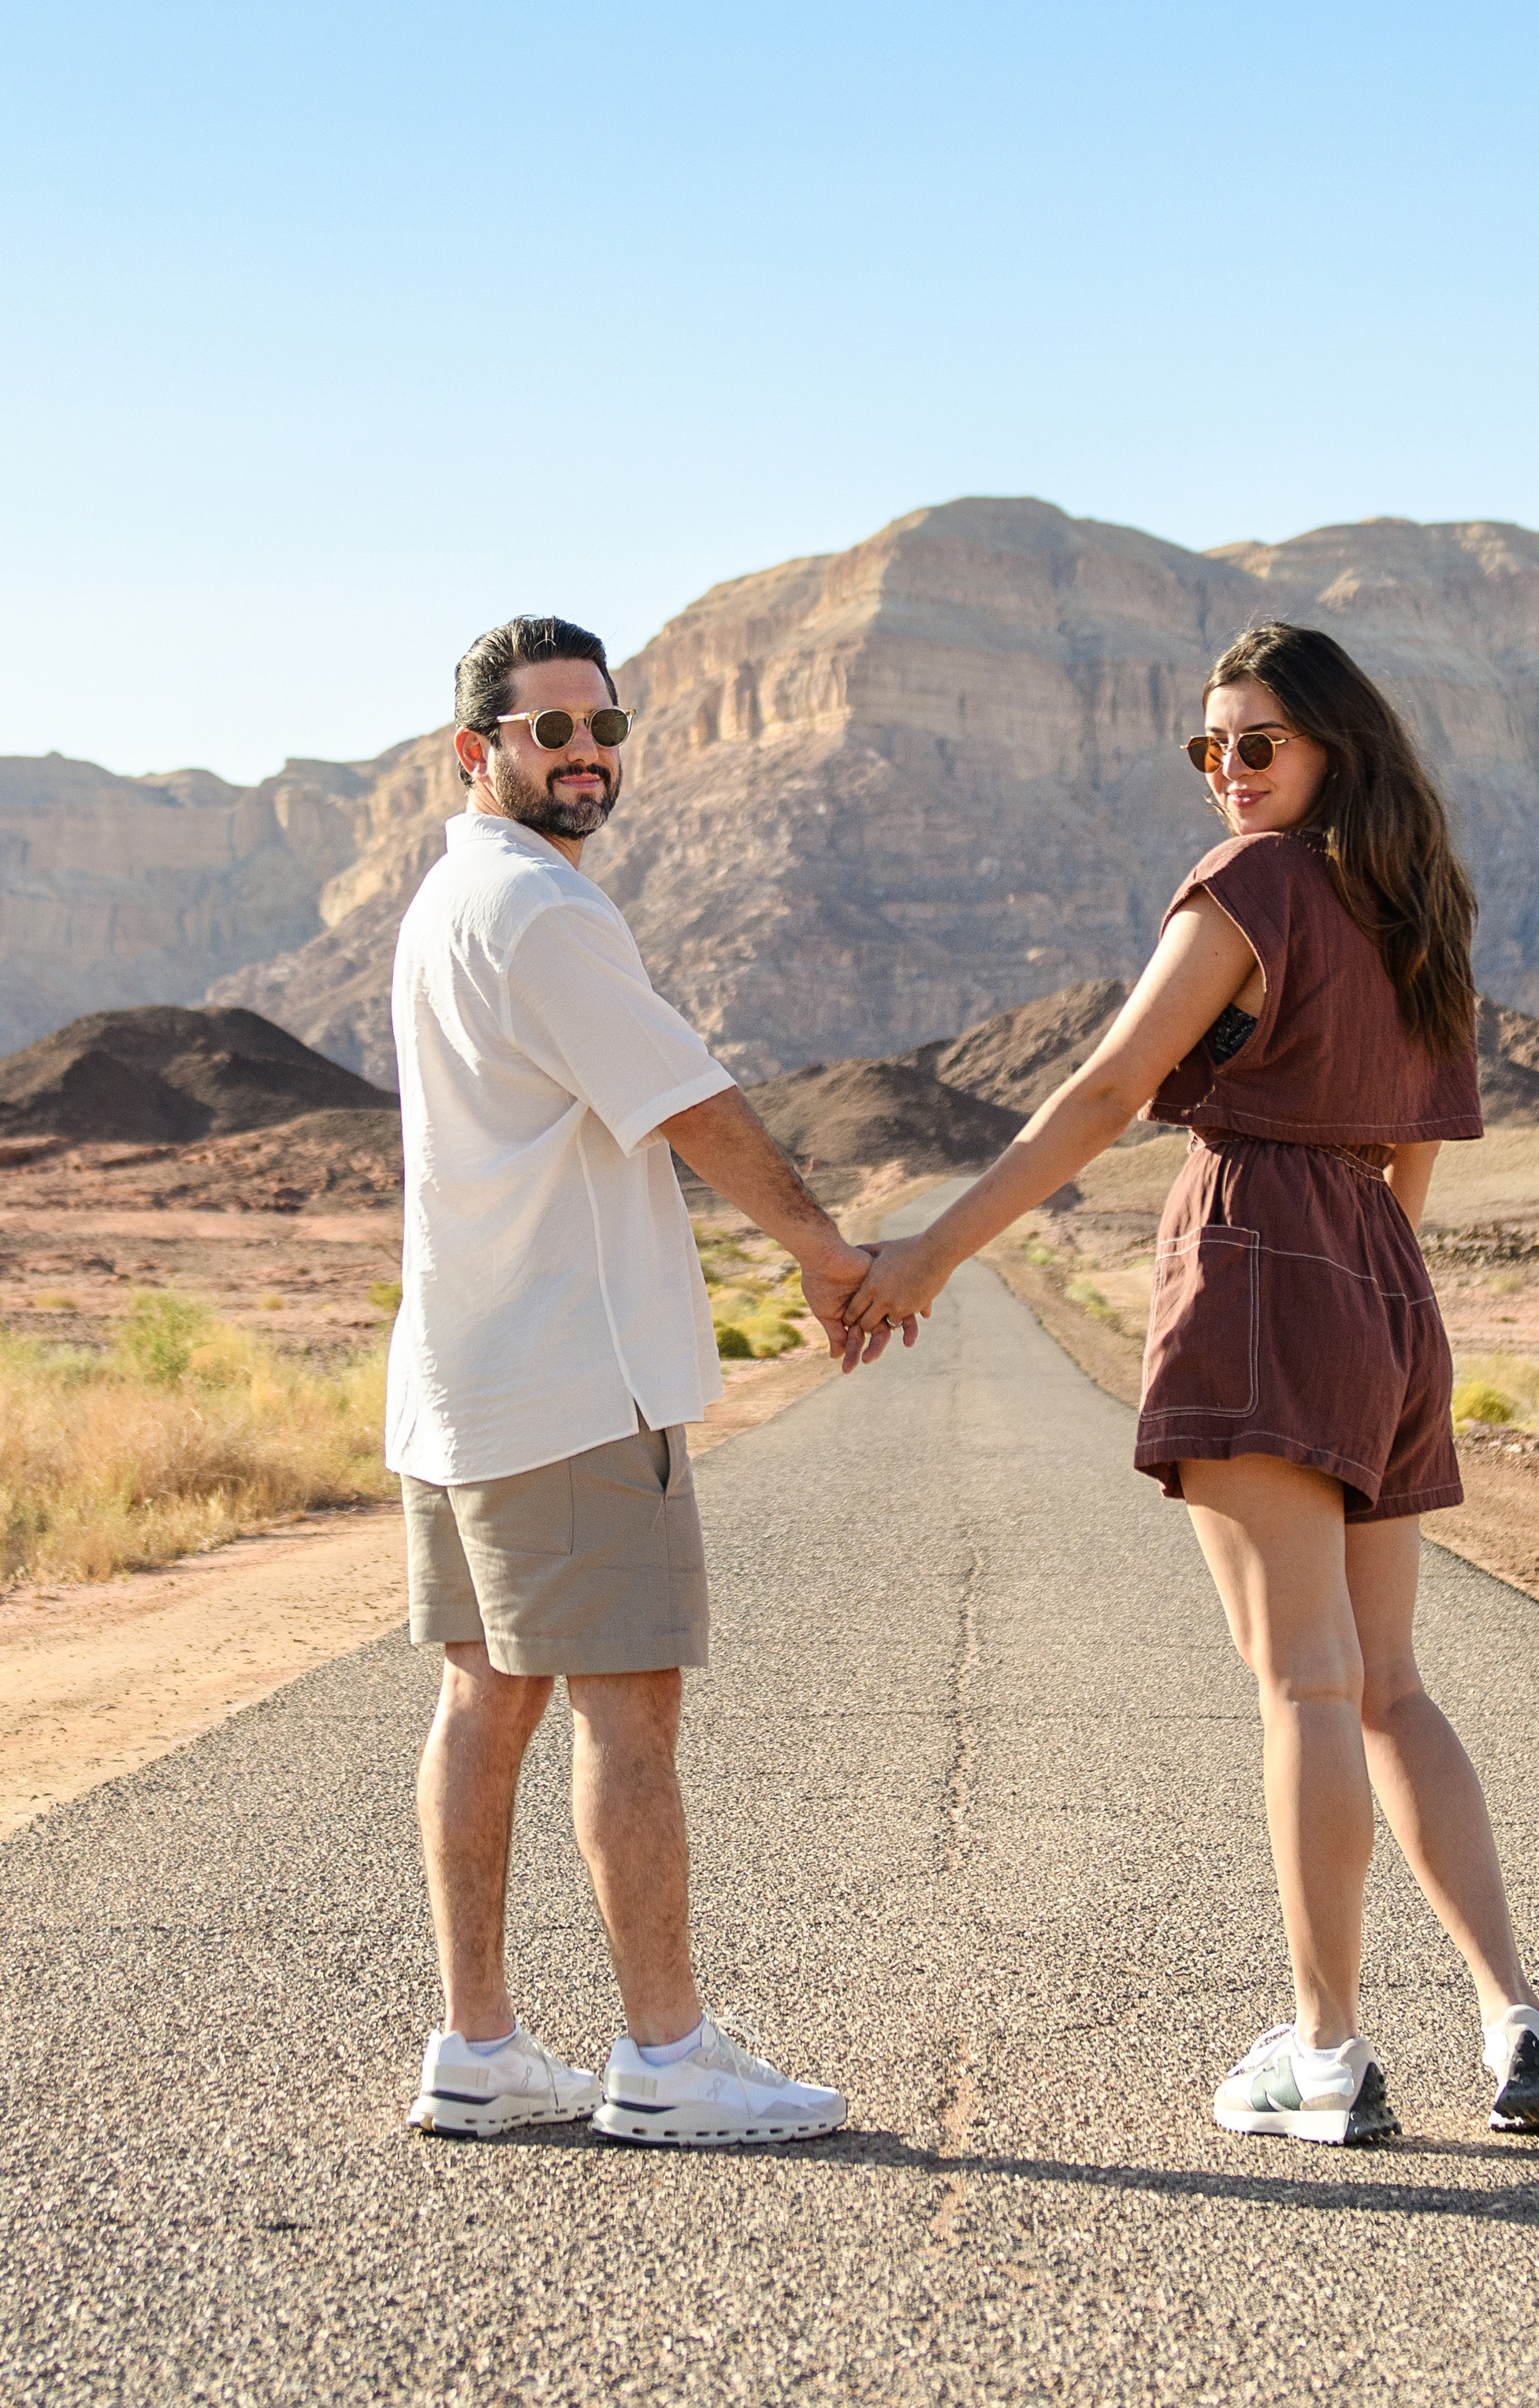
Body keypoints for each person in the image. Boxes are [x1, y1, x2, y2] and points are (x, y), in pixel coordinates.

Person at [846, 622, 1539, 2146]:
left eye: (1257, 744)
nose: (1228, 775)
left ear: (1333, 750)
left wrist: (933, 1250)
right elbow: (1412, 1160)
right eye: (1209, 750)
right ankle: (1516, 2025)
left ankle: (1325, 2057)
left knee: (1306, 1683)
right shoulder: (1421, 912)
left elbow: (1111, 1089)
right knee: (1389, 1685)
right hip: (1384, 1277)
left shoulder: (1257, 887)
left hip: (1260, 1255)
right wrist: (1358, 1295)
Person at [391, 614, 907, 2149]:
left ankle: (478, 2045)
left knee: (485, 1696)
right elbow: (695, 1108)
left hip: (463, 1375)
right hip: (570, 1380)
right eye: (551, 731)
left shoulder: (446, 901)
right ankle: (666, 2054)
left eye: (605, 727)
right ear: (476, 752)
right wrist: (823, 1252)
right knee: (629, 1710)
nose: (587, 755)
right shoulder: (539, 911)